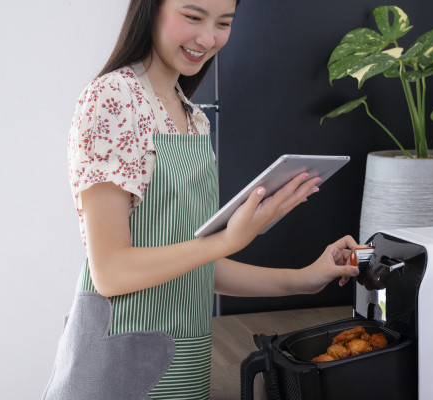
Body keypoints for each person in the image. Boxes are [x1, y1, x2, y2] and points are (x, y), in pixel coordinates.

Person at [42, 0, 359, 398]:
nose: (208, 38)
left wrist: (305, 279)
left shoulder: (193, 117)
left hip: (185, 369)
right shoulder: (113, 99)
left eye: (224, 23)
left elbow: (195, 266)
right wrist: (229, 238)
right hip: (116, 373)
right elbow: (111, 271)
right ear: (150, 9)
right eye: (192, 17)